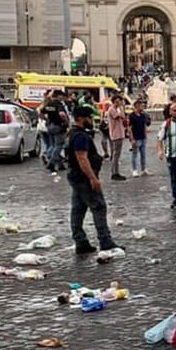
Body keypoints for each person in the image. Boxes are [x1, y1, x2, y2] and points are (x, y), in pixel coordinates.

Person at [66, 106, 122, 254]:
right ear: (81, 118)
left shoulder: (73, 133)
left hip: (76, 176)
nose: (91, 120)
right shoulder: (80, 136)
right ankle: (105, 241)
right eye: (89, 118)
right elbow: (82, 158)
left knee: (78, 209)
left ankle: (81, 241)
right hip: (83, 178)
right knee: (98, 206)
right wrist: (93, 178)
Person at [105, 95, 128, 180]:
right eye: (118, 101)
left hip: (120, 133)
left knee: (117, 154)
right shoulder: (112, 109)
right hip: (116, 134)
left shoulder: (118, 109)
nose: (119, 103)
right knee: (116, 154)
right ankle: (115, 172)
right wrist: (121, 110)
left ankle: (115, 171)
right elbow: (119, 116)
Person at [128, 99, 151, 177]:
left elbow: (144, 125)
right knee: (135, 154)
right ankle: (134, 170)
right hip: (136, 137)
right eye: (141, 105)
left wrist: (145, 135)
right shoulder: (131, 116)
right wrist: (132, 139)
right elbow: (130, 128)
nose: (142, 107)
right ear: (136, 106)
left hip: (142, 137)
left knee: (143, 154)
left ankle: (143, 169)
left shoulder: (143, 115)